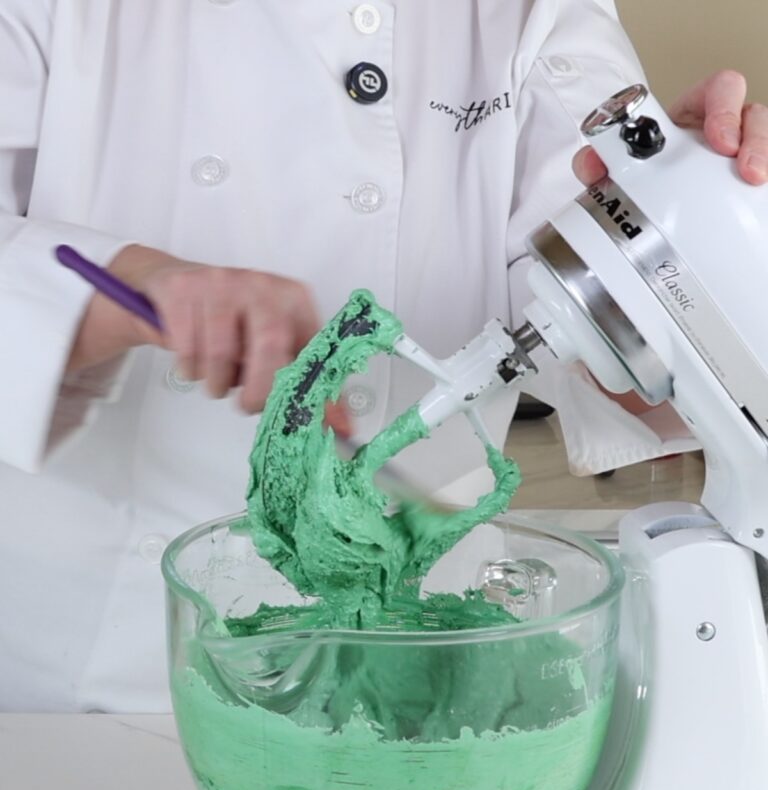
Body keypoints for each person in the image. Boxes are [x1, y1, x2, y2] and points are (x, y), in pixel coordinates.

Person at [0, 0, 765, 712]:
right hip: (71, 684)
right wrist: (130, 286)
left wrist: (704, 232)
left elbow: (626, 350)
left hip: (417, 657)